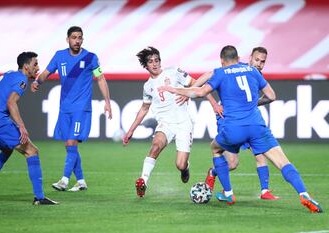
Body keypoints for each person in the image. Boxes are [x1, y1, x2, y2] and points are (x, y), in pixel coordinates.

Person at [158, 45, 323, 213]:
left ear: (222, 60)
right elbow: (272, 96)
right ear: (238, 58)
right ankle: (304, 194)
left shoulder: (220, 72)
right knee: (283, 162)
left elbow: (200, 92)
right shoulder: (253, 71)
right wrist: (251, 104)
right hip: (257, 126)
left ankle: (228, 193)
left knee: (215, 148)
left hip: (233, 128)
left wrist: (177, 90)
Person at [31, 26, 112, 192]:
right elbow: (46, 72)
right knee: (70, 146)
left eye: (80, 37)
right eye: (74, 37)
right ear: (67, 39)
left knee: (71, 142)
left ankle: (64, 180)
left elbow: (101, 79)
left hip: (81, 109)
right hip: (65, 109)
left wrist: (107, 101)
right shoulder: (59, 56)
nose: (77, 40)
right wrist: (37, 82)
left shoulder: (90, 57)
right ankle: (81, 181)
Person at [0, 52, 57, 205]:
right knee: (32, 151)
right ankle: (39, 197)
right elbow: (11, 103)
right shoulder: (22, 80)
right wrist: (21, 126)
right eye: (35, 64)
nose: (38, 68)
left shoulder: (8, 74)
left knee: (7, 149)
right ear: (26, 67)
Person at [203, 47, 279, 200]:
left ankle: (265, 191)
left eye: (262, 62)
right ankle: (214, 173)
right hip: (228, 118)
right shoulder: (236, 67)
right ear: (250, 58)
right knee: (232, 164)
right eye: (256, 60)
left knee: (260, 152)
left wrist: (252, 105)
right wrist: (193, 86)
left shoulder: (255, 73)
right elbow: (210, 74)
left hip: (247, 119)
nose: (258, 64)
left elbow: (268, 96)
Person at [122, 46, 196, 197]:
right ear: (146, 65)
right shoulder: (148, 86)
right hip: (165, 124)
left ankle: (185, 168)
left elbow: (194, 82)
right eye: (150, 61)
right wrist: (130, 130)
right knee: (155, 146)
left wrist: (188, 95)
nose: (155, 64)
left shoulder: (174, 71)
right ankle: (143, 181)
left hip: (183, 123)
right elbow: (144, 108)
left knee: (180, 164)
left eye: (157, 60)